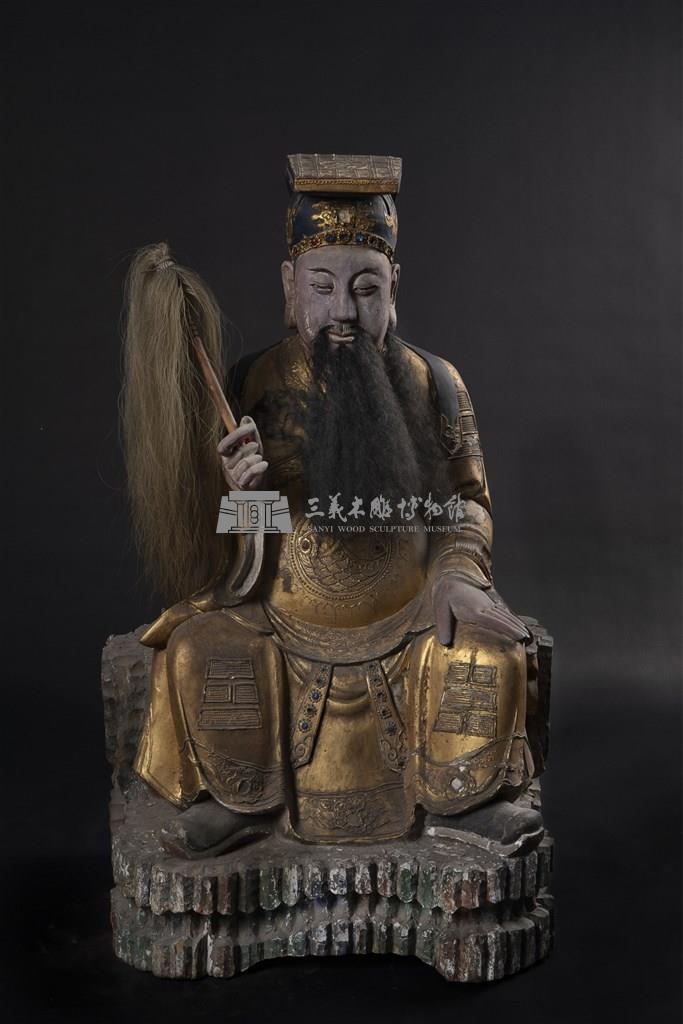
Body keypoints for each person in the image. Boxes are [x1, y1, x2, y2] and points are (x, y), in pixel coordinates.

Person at [124, 154, 543, 858]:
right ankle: (239, 800)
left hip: (413, 617)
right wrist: (246, 500)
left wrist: (456, 576)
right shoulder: (250, 386)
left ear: (394, 289)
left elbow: (466, 504)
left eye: (365, 288)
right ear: (290, 289)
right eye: (322, 286)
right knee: (200, 650)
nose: (344, 311)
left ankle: (465, 801)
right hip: (281, 613)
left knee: (489, 653)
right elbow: (228, 550)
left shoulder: (436, 384)